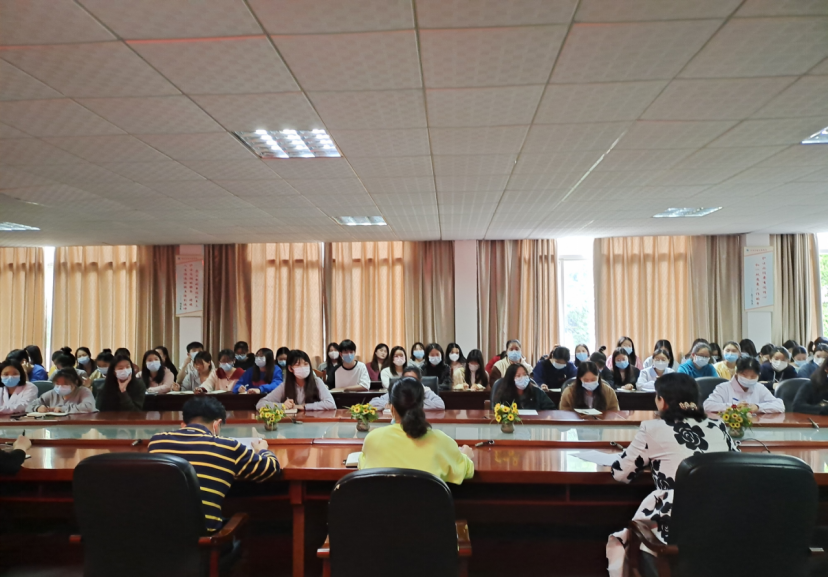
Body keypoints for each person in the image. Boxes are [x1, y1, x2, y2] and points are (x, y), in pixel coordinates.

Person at [606, 373, 737, 577]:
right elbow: (736, 463)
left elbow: (621, 473)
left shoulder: (652, 428)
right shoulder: (718, 425)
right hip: (722, 517)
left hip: (675, 522)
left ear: (662, 400)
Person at [148, 396, 281, 532]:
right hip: (205, 539)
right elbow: (271, 468)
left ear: (184, 424)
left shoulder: (157, 442)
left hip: (157, 535)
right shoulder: (227, 447)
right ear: (216, 425)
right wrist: (262, 450)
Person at [358, 377, 473, 484]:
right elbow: (465, 471)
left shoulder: (373, 439)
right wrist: (465, 455)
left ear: (392, 409)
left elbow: (363, 465)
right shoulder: (441, 441)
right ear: (422, 407)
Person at [256, 350, 335, 411]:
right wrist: (282, 406)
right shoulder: (285, 386)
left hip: (313, 422)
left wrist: (305, 406)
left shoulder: (317, 382)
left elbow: (331, 404)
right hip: (291, 423)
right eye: (298, 364)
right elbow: (260, 404)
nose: (303, 367)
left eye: (305, 364)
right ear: (290, 368)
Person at [703, 357, 784, 413]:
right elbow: (707, 405)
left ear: (759, 375)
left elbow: (780, 405)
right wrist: (734, 407)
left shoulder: (759, 388)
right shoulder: (723, 388)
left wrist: (758, 407)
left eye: (753, 376)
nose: (748, 378)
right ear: (736, 373)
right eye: (744, 375)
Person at [370, 365, 445, 410]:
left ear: (419, 381)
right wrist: (389, 404)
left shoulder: (425, 390)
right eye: (406, 379)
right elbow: (372, 403)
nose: (409, 382)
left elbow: (440, 405)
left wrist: (414, 404)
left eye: (413, 379)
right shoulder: (398, 390)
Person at [28, 368, 96, 414]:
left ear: (76, 382)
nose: (60, 387)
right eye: (57, 384)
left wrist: (62, 409)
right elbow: (29, 406)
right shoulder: (52, 393)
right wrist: (37, 408)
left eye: (65, 383)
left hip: (79, 426)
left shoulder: (83, 391)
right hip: (55, 427)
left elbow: (89, 407)